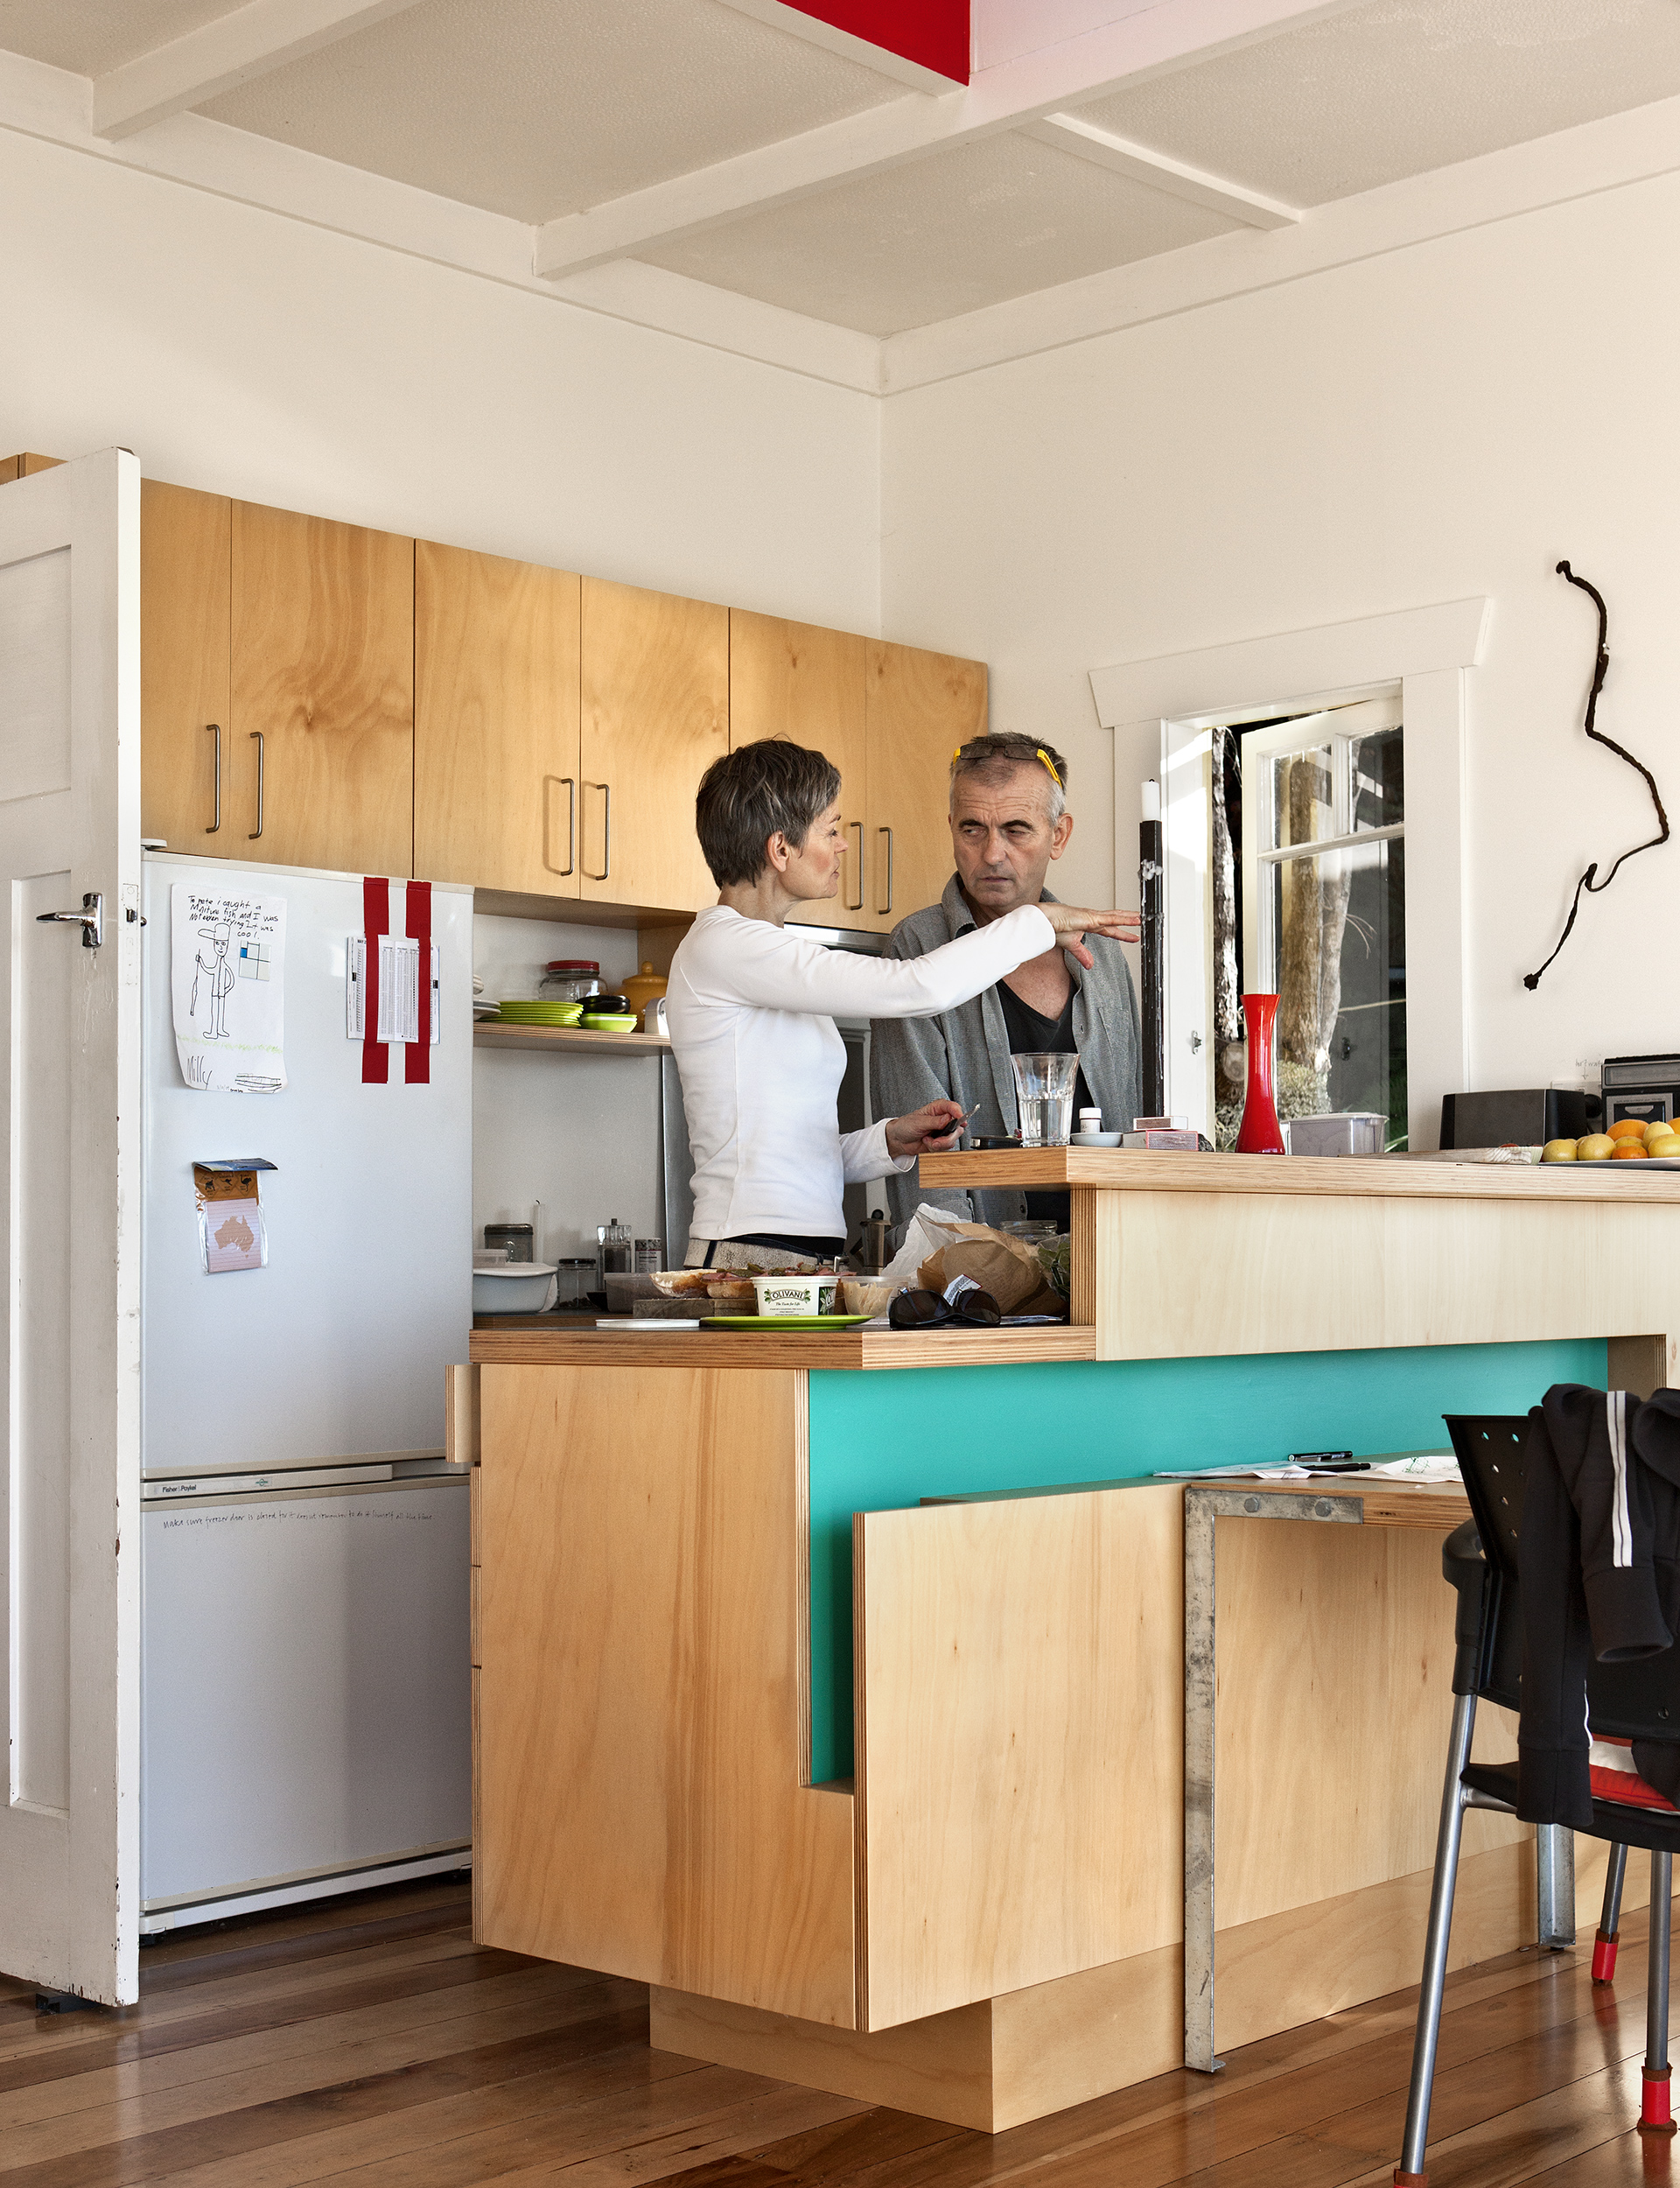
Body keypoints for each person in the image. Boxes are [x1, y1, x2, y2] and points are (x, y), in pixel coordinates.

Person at [664, 740, 1137, 1271]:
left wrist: (889, 1140)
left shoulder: (774, 961)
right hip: (745, 1251)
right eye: (831, 829)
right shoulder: (725, 948)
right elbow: (918, 987)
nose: (843, 845)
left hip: (804, 1255)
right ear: (781, 850)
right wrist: (1041, 921)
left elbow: (787, 1154)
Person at [870, 733, 1143, 1235]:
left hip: (1107, 1257)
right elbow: (928, 1166)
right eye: (972, 829)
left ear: (1059, 835)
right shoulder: (917, 947)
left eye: (1017, 829)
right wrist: (965, 1286)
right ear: (951, 828)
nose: (993, 853)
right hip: (985, 1277)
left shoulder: (1100, 952)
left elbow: (1130, 1121)